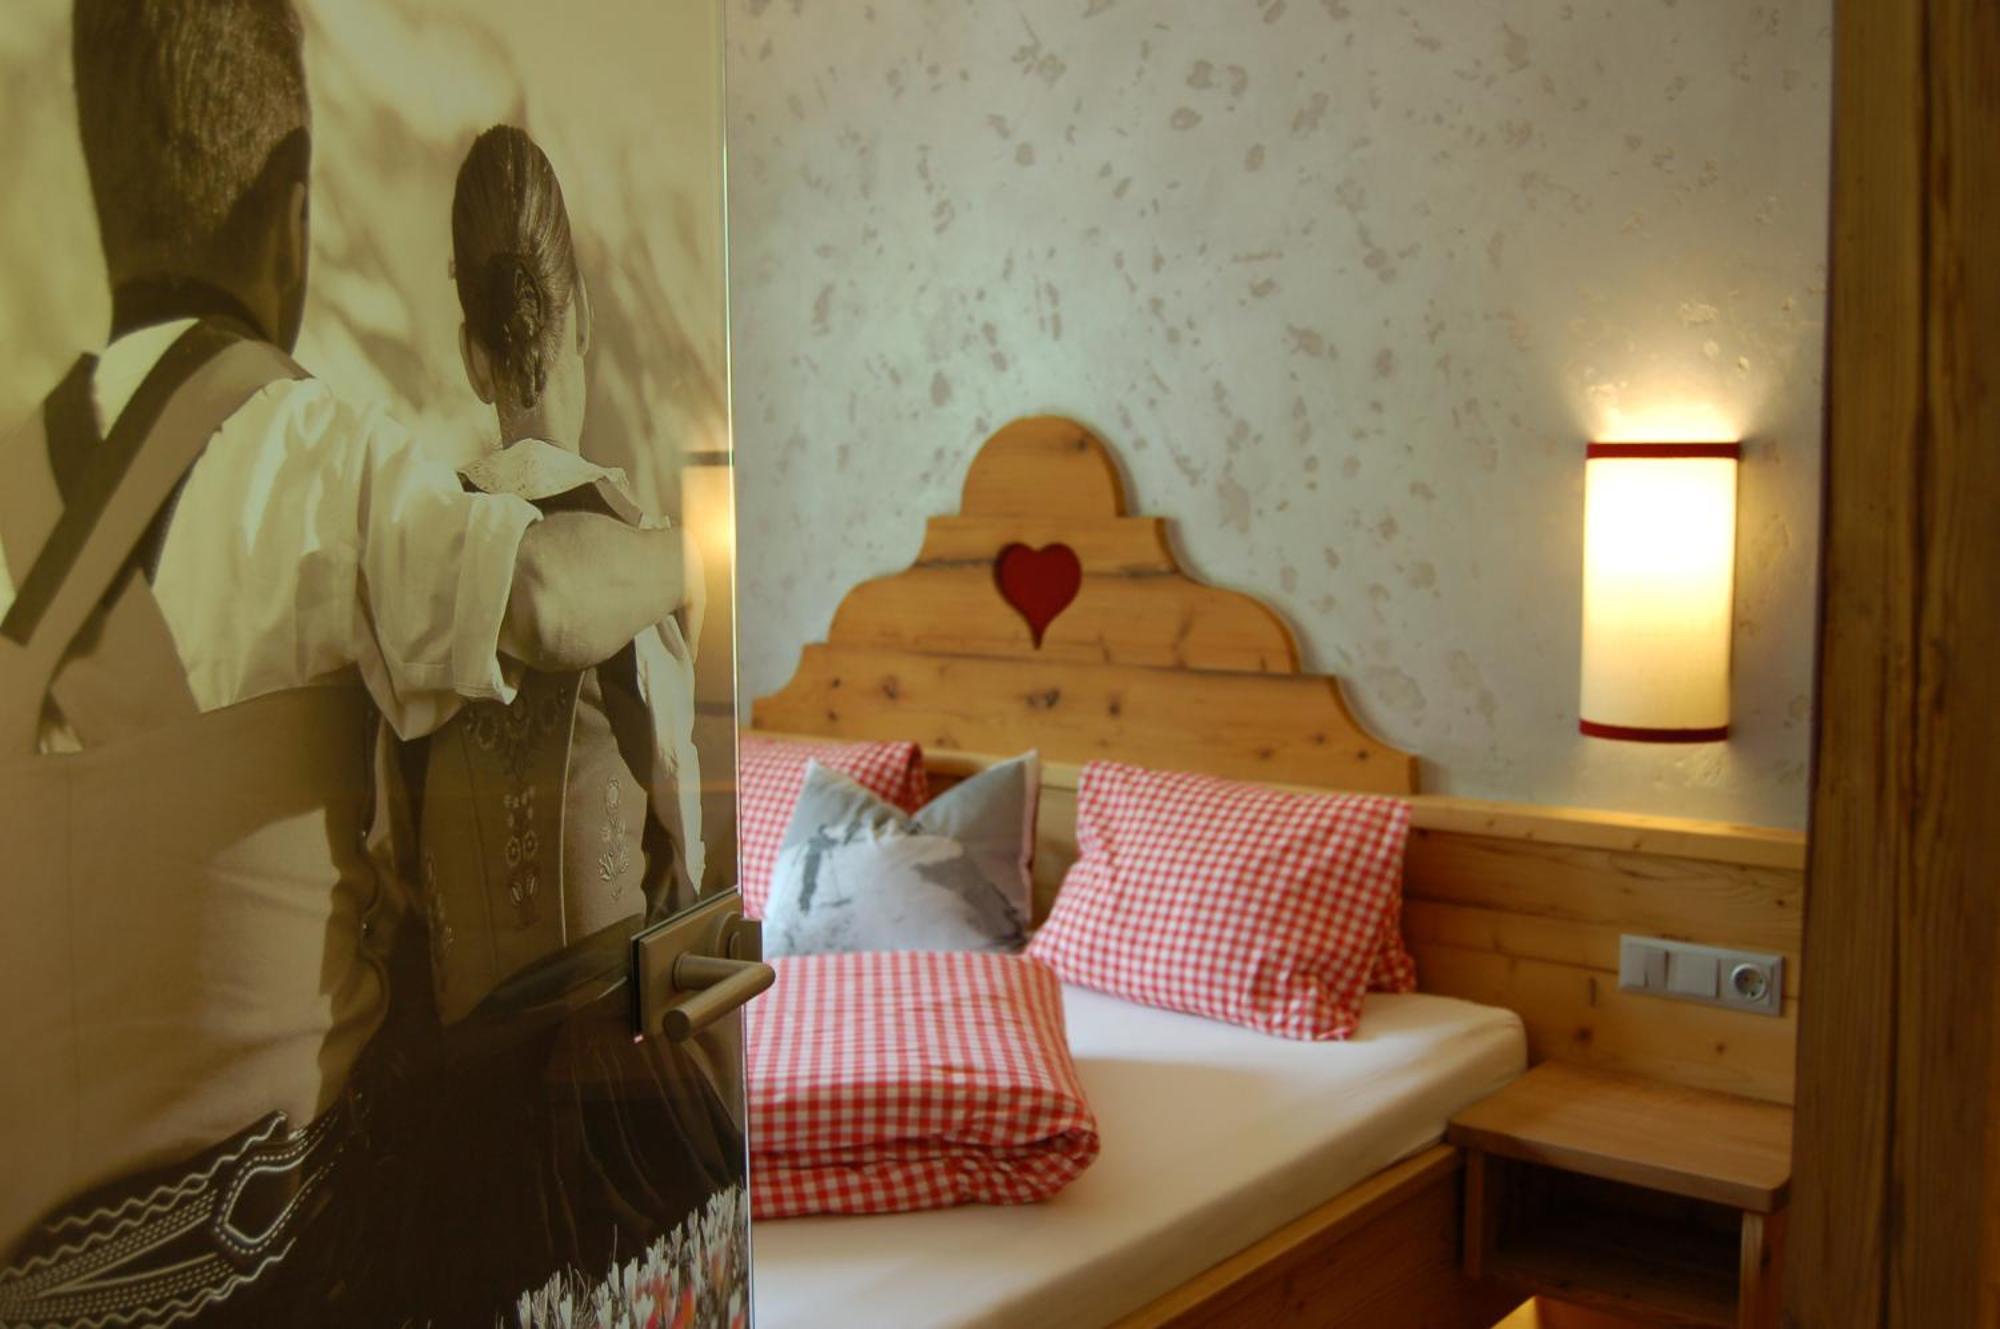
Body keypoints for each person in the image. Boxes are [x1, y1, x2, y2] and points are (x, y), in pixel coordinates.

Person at [0, 3, 697, 1324]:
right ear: (293, 218)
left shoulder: (9, 470)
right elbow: (546, 598)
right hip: (277, 1238)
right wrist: (703, 552)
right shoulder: (312, 450)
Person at [356, 123, 742, 1327]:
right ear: (581, 331)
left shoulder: (415, 561)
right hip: (609, 1089)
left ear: (472, 353)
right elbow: (681, 843)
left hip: (459, 1116)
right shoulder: (635, 557)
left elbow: (390, 858)